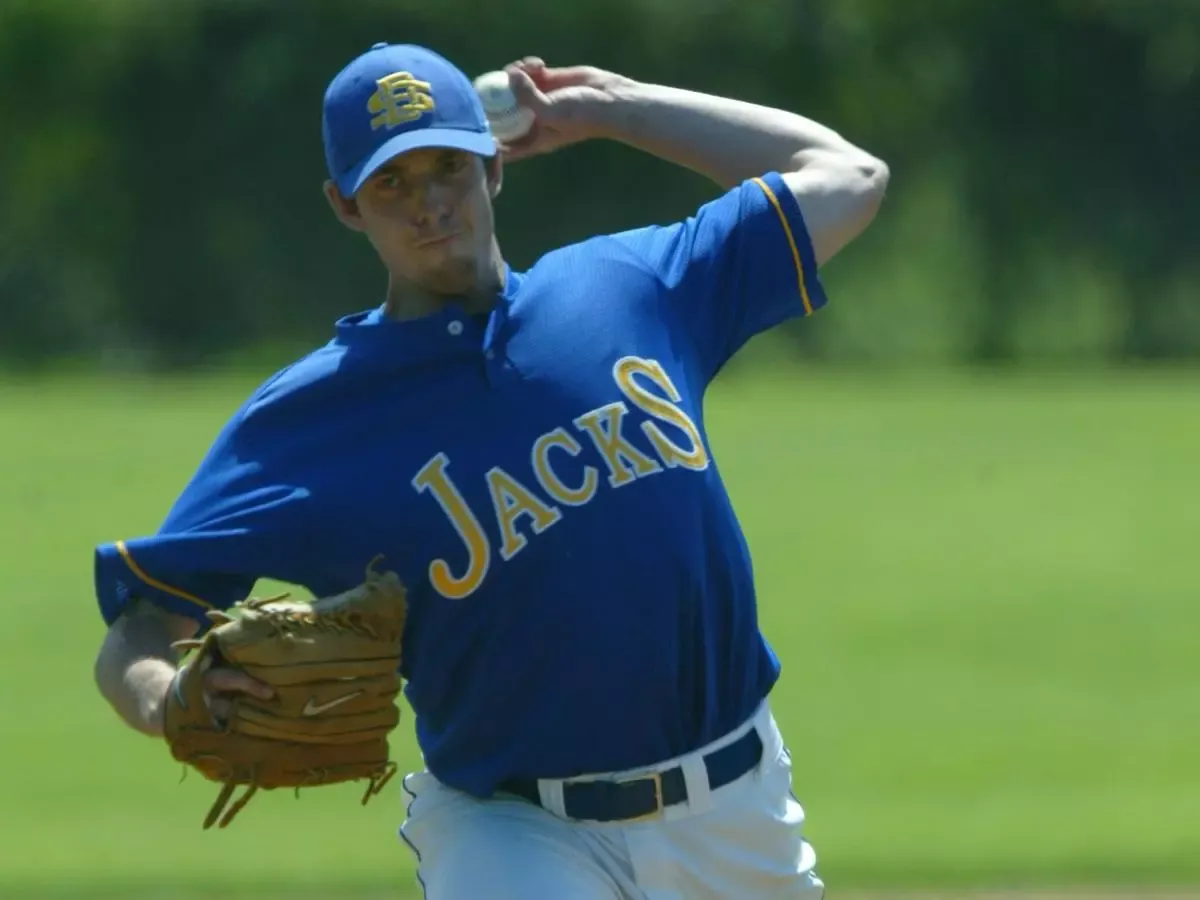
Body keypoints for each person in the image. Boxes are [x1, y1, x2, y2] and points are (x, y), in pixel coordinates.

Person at [93, 41, 888, 899]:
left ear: (493, 167)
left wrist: (615, 105)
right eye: (391, 182)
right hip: (508, 829)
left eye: (448, 167)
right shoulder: (307, 419)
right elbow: (139, 626)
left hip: (735, 809)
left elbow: (849, 175)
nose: (429, 204)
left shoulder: (630, 285)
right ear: (345, 205)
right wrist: (167, 697)